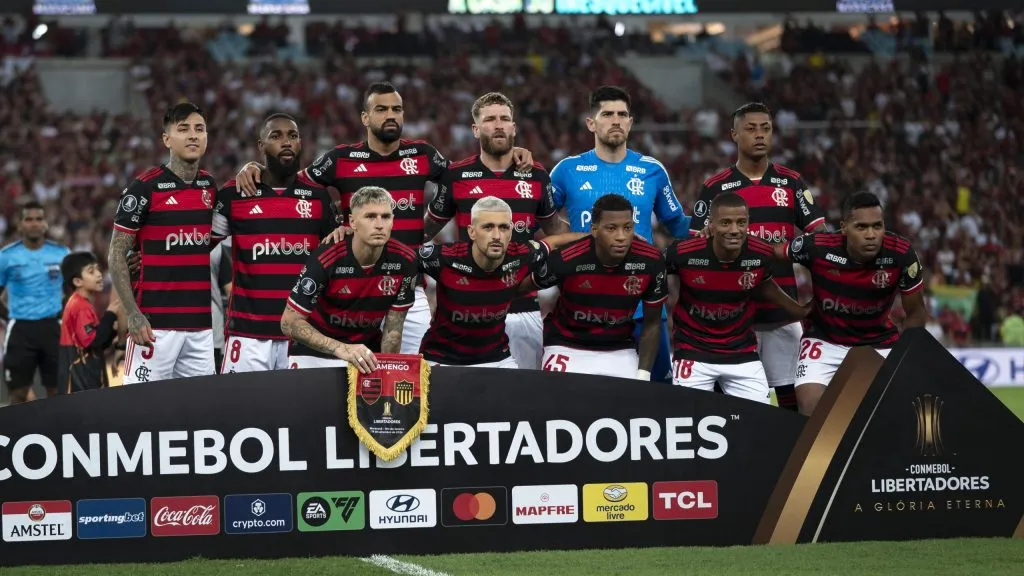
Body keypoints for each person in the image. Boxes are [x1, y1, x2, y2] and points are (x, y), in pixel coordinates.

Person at [236, 82, 535, 358]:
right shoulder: (340, 159)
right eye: (381, 109)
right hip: (353, 290)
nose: (390, 115)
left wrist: (509, 153)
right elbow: (294, 185)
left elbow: (464, 175)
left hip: (409, 286)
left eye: (396, 109)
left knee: (410, 378)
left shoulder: (423, 155)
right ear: (365, 118)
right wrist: (256, 169)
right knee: (350, 373)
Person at [548, 86, 691, 383]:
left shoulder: (652, 170)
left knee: (659, 391)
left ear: (631, 121)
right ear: (591, 123)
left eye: (622, 114)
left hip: (644, 306)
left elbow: (677, 225)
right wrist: (574, 239)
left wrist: (715, 226)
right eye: (607, 114)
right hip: (584, 306)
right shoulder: (567, 170)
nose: (615, 120)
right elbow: (541, 215)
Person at [691, 102, 827, 412]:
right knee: (735, 405)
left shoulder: (791, 183)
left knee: (791, 397)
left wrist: (788, 250)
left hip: (784, 313)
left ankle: (795, 458)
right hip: (733, 317)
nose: (760, 135)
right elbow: (695, 247)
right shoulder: (716, 187)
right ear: (734, 134)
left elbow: (820, 240)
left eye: (765, 128)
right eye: (751, 129)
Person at [425, 91, 565, 370]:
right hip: (465, 314)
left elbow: (555, 231)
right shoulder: (457, 175)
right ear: (476, 130)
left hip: (523, 308)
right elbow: (425, 230)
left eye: (505, 119)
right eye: (490, 119)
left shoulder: (536, 175)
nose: (498, 125)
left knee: (523, 403)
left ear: (514, 127)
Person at [777, 192, 928, 415]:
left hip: (877, 341)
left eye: (877, 226)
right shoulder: (818, 247)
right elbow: (769, 253)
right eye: (862, 227)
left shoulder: (901, 253)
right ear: (844, 227)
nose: (871, 235)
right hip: (826, 339)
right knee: (810, 406)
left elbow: (915, 312)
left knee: (896, 412)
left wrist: (905, 356)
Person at [212, 113, 337, 373]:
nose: (286, 142)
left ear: (301, 143)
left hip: (303, 335)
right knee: (243, 413)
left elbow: (334, 257)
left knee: (300, 413)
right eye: (276, 136)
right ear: (261, 146)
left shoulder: (318, 199)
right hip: (247, 337)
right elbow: (200, 244)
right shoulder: (234, 194)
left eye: (292, 136)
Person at [108, 101, 218, 384]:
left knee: (201, 412)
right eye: (183, 129)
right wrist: (132, 314)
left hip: (200, 328)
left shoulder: (209, 187)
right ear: (166, 139)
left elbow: (208, 240)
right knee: (141, 411)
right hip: (154, 325)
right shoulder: (144, 187)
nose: (193, 135)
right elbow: (117, 253)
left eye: (199, 129)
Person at [664, 193, 810, 404]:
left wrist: (801, 311)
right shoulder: (683, 253)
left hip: (741, 351)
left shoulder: (760, 253)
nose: (734, 230)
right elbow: (650, 269)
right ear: (711, 225)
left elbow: (767, 286)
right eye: (726, 222)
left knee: (760, 418)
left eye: (741, 222)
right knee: (689, 418)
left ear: (748, 223)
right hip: (693, 351)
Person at [419, 196, 581, 368]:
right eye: (488, 227)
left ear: (511, 231)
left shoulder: (521, 255)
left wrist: (599, 236)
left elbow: (554, 243)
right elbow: (404, 260)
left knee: (520, 393)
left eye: (503, 227)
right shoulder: (443, 257)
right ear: (471, 231)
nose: (496, 235)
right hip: (441, 358)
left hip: (496, 359)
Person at [529, 194, 667, 380]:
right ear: (594, 230)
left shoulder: (651, 261)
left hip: (620, 349)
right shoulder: (566, 259)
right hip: (566, 345)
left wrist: (643, 375)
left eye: (627, 228)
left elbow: (652, 323)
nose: (621, 237)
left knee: (630, 407)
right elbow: (520, 288)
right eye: (611, 228)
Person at [280, 186, 417, 373]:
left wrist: (387, 371)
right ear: (352, 222)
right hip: (314, 354)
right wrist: (342, 349)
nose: (379, 224)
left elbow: (393, 330)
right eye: (370, 217)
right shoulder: (327, 257)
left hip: (366, 357)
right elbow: (289, 323)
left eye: (386, 217)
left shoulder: (405, 260)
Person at [0, 201, 70, 402]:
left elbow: (73, 291)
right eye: (28, 219)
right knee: (18, 393)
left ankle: (58, 432)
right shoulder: (6, 257)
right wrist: (11, 317)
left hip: (52, 328)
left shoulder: (61, 254)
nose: (34, 224)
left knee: (57, 392)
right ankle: (16, 433)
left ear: (45, 224)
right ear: (20, 224)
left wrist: (61, 314)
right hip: (20, 330)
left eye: (38, 219)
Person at [58, 252, 121, 393]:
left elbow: (99, 343)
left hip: (86, 378)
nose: (99, 274)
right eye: (91, 271)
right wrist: (110, 315)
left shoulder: (83, 304)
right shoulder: (79, 306)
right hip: (81, 382)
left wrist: (112, 331)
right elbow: (92, 340)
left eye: (98, 269)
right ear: (77, 281)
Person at [210, 238, 232, 372]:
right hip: (212, 327)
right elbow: (230, 291)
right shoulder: (217, 248)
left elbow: (230, 290)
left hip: (211, 329)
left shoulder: (217, 249)